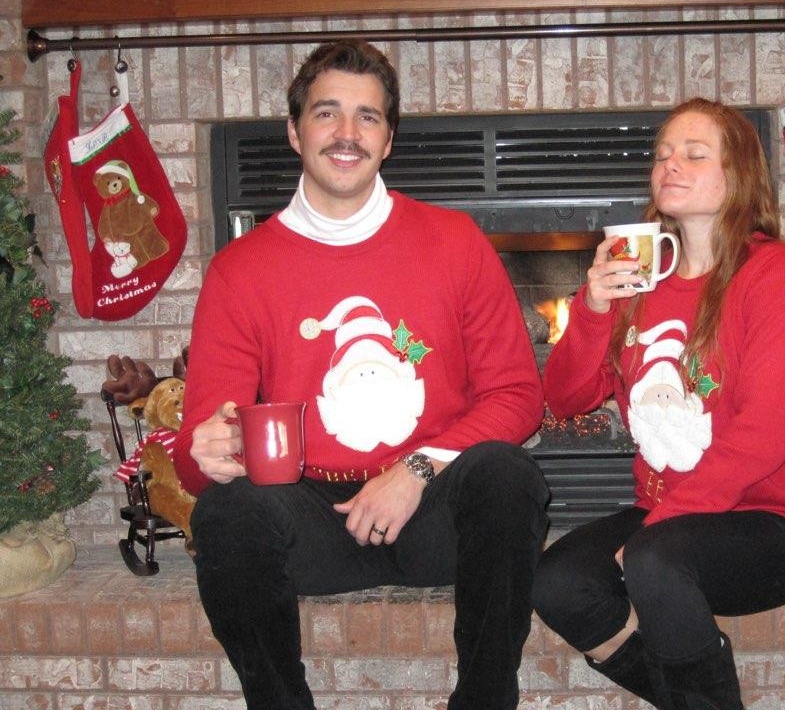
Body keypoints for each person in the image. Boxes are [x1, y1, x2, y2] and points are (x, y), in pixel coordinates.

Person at [174, 39, 549, 710]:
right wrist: (205, 453)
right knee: (227, 509)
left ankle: (487, 699)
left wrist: (417, 471)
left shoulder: (454, 241)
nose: (347, 134)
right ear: (294, 132)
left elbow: (519, 396)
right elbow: (199, 455)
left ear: (388, 138)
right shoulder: (241, 270)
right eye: (327, 114)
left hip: (432, 510)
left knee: (507, 475)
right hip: (313, 519)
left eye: (367, 117)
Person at [533, 98, 785, 710]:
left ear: (738, 173)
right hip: (666, 515)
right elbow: (563, 397)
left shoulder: (776, 273)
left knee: (654, 559)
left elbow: (765, 431)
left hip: (771, 524)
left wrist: (663, 524)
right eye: (663, 154)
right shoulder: (638, 278)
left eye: (694, 154)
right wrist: (590, 307)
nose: (671, 165)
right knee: (558, 582)